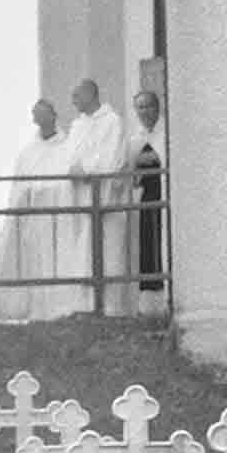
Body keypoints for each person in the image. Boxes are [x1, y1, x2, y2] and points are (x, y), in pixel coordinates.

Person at [0, 96, 79, 322]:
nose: (41, 120)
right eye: (37, 116)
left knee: (60, 261)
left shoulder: (69, 147)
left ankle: (62, 309)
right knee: (36, 263)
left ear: (54, 116)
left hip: (59, 215)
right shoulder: (28, 152)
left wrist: (48, 191)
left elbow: (68, 181)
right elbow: (19, 185)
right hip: (34, 218)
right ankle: (38, 312)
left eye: (44, 115)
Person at [62, 76, 127, 312]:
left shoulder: (112, 122)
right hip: (82, 195)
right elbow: (69, 157)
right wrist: (73, 169)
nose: (73, 101)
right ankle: (86, 306)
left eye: (77, 96)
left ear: (91, 94)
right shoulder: (77, 126)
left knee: (107, 253)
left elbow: (112, 158)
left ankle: (109, 308)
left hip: (105, 197)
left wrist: (86, 168)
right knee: (84, 253)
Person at [127, 86, 167, 312]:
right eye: (139, 107)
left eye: (148, 106)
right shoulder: (135, 139)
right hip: (145, 198)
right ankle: (149, 302)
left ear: (157, 107)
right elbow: (129, 172)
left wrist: (155, 157)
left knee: (163, 242)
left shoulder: (166, 134)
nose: (144, 111)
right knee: (147, 245)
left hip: (163, 195)